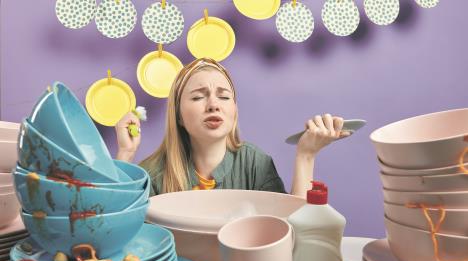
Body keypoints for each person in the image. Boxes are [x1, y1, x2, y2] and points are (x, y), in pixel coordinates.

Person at [115, 58, 350, 198]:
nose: (213, 105)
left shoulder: (256, 164)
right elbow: (113, 231)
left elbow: (292, 230)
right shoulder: (153, 174)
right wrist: (125, 154)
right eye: (198, 98)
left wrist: (306, 155)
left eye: (224, 97)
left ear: (234, 111)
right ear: (178, 116)